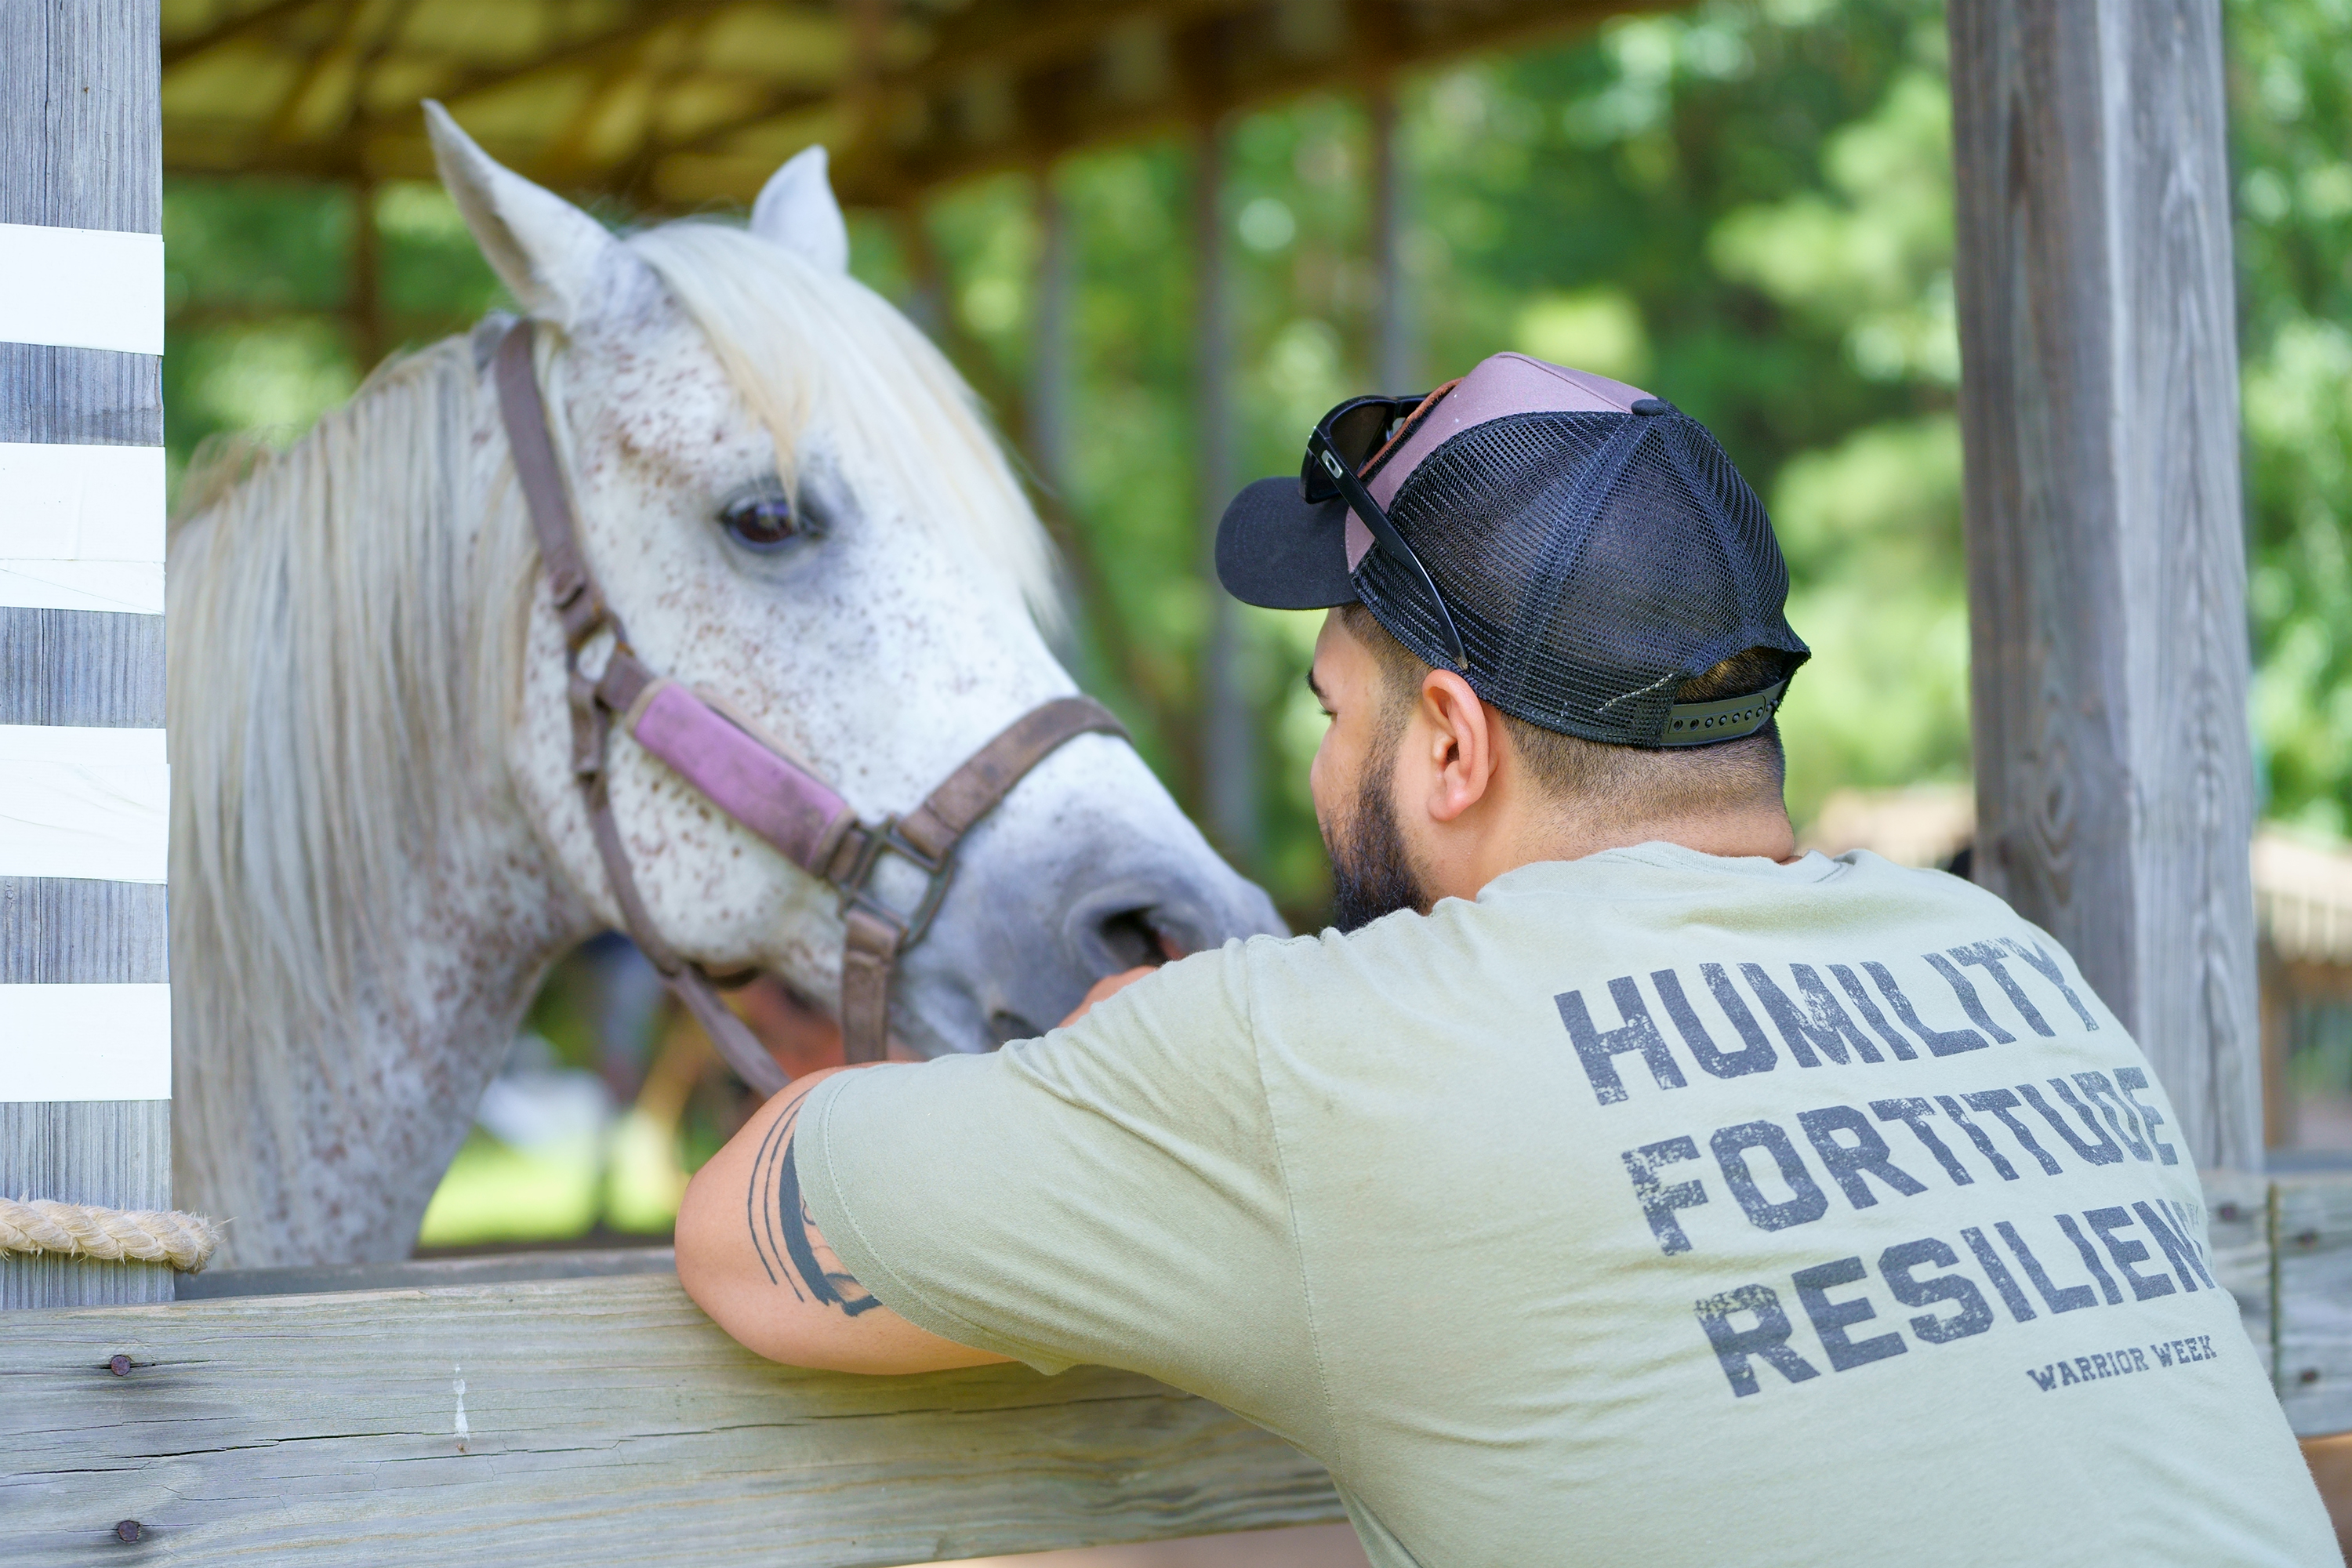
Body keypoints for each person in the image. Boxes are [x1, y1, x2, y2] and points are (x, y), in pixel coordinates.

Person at [676, 353, 2335, 1566]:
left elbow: (749, 1241)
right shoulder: (2009, 968)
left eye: (1338, 712)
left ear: (1452, 747)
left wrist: (1110, 1071)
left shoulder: (1321, 1056)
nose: (1328, 764)